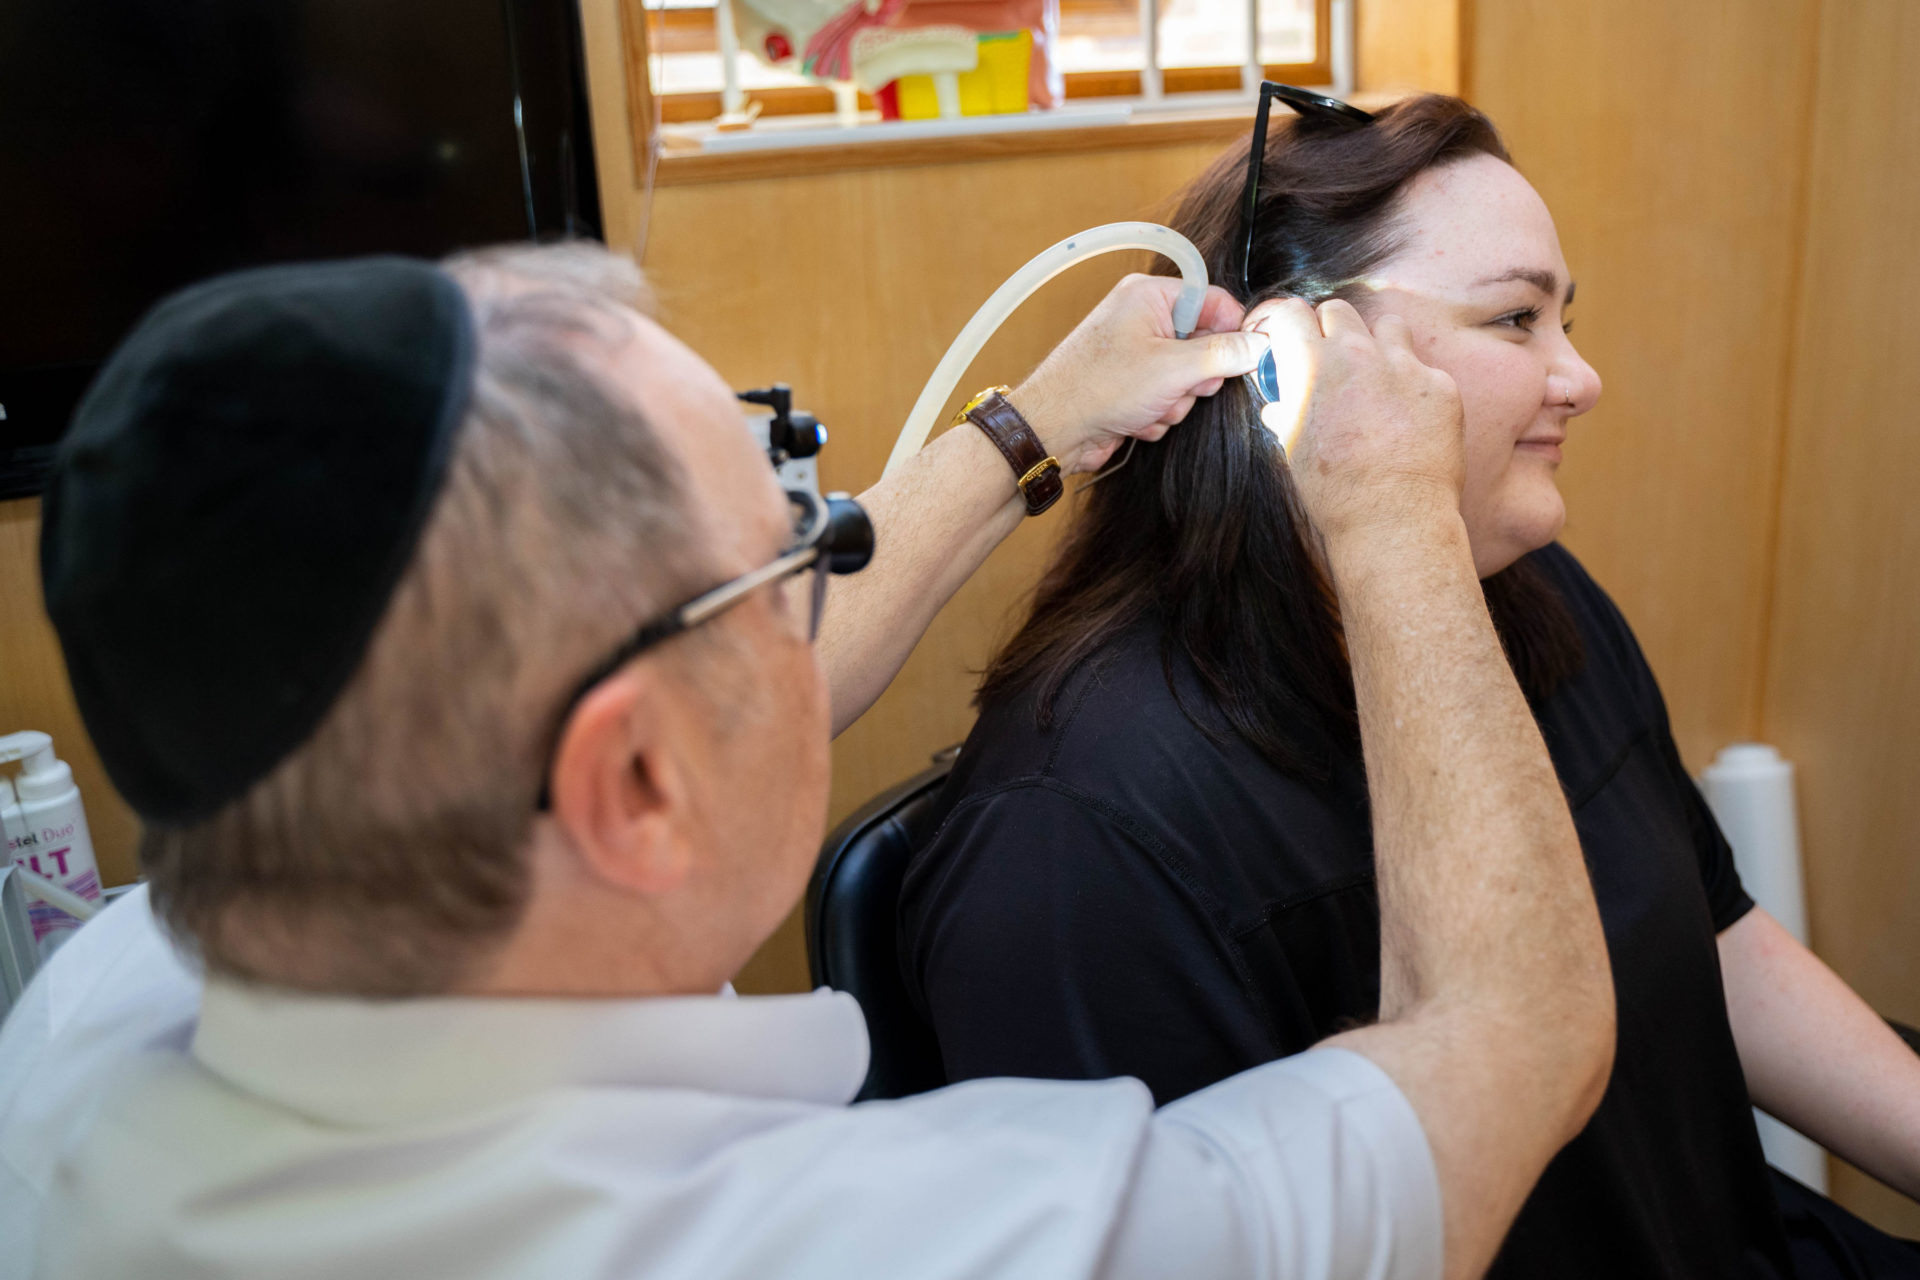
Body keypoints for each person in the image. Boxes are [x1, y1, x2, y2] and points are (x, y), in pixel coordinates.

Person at [2, 239, 1614, 1279]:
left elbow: (702, 704)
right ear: (633, 788)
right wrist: (1391, 515)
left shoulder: (102, 1008)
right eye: (794, 548)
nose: (825, 576)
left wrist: (1028, 424)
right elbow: (1513, 1039)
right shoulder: (929, 1245)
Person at [898, 91, 1920, 1280]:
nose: (1580, 376)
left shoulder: (1532, 598)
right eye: (1516, 319)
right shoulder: (1081, 829)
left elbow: (1708, 936)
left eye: (1564, 318)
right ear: (1291, 363)